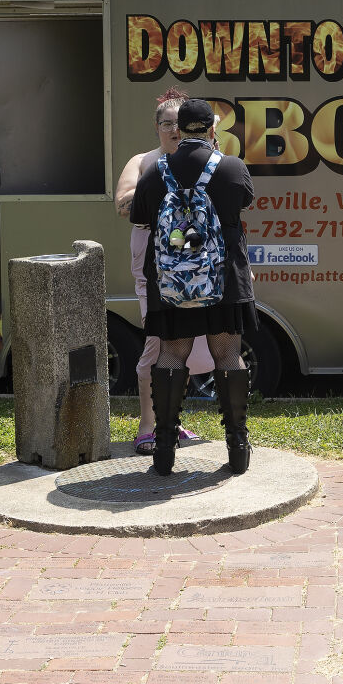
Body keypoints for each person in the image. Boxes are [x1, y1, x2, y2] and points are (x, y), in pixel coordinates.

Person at [129, 97, 259, 476]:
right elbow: (244, 200)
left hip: (172, 282)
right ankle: (237, 445)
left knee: (171, 354)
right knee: (227, 354)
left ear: (179, 129)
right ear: (212, 129)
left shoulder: (155, 172)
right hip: (222, 279)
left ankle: (164, 449)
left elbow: (140, 217)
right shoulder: (231, 167)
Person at [114, 88, 210, 455]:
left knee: (185, 343)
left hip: (192, 257)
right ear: (157, 127)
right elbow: (123, 204)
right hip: (153, 260)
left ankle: (171, 420)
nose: (173, 129)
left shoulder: (204, 160)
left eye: (179, 123)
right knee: (157, 343)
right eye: (166, 123)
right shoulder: (143, 162)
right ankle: (147, 426)